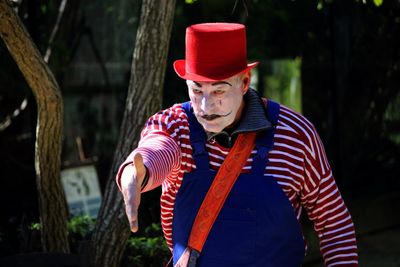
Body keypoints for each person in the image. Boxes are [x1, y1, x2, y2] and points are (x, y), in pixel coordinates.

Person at [118, 22, 358, 267]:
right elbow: (157, 148)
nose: (205, 107)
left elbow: (334, 224)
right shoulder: (174, 126)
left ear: (245, 83)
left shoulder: (295, 134)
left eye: (219, 91)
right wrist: (138, 172)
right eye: (197, 90)